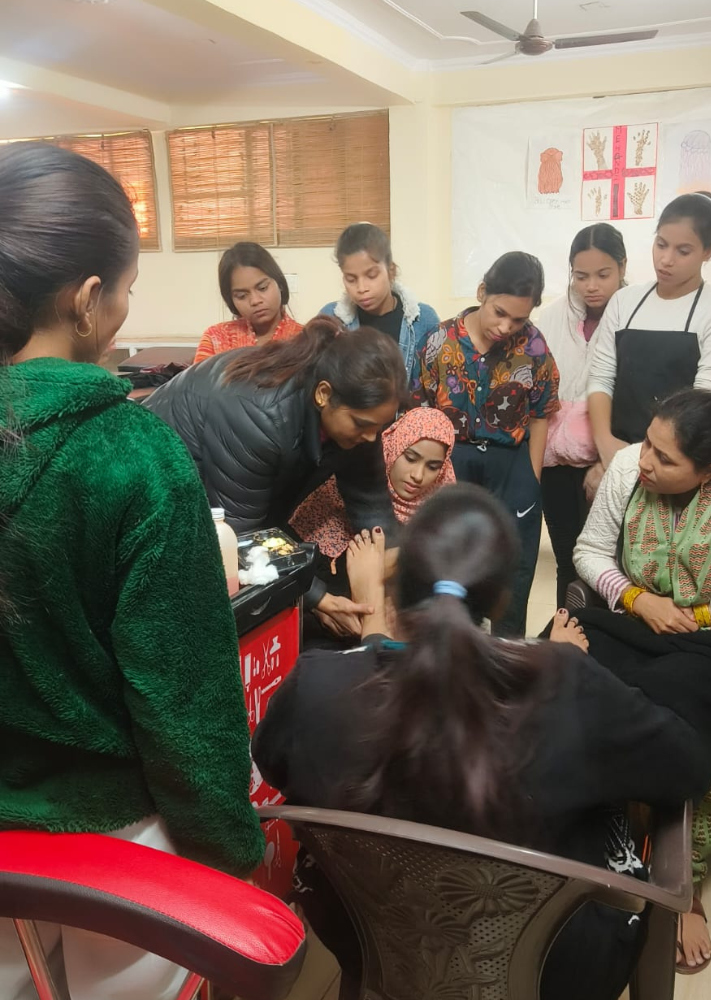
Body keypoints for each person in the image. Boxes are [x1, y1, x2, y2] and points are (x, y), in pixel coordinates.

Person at [253, 483, 711, 1000]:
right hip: (552, 966)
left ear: (397, 586)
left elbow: (273, 763)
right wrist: (562, 668)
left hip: (369, 938)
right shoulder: (567, 686)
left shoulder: (316, 685)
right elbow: (686, 768)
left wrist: (373, 636)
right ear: (500, 600)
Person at [0, 142, 264, 1000]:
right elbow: (183, 699)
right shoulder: (132, 453)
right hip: (112, 848)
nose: (122, 308)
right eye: (125, 289)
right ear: (86, 301)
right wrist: (228, 854)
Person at [573, 388, 711, 975]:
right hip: (635, 620)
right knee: (559, 666)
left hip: (710, 639)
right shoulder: (625, 468)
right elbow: (590, 551)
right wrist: (638, 599)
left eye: (665, 459)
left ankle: (678, 878)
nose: (645, 462)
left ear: (708, 472)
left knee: (674, 716)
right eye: (647, 443)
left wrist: (694, 615)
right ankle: (586, 832)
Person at [146, 315, 406, 638]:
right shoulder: (260, 416)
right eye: (362, 425)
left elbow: (372, 503)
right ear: (324, 394)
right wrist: (318, 597)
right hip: (159, 477)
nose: (371, 438)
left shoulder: (360, 418)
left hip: (236, 484)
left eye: (379, 427)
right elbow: (242, 536)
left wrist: (389, 579)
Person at [411, 251, 559, 636]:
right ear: (482, 293)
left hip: (511, 463)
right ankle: (454, 642)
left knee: (516, 563)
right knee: (451, 560)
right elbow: (418, 409)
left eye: (519, 319)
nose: (506, 327)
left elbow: (541, 413)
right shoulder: (439, 340)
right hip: (452, 461)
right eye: (499, 312)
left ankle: (507, 649)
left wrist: (532, 477)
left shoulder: (534, 346)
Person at [588, 192, 711, 466]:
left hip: (679, 462)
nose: (666, 259)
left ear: (709, 250)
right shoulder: (624, 301)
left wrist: (645, 461)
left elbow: (705, 403)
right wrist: (605, 445)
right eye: (661, 244)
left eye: (683, 251)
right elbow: (601, 378)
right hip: (614, 452)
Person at [540, 224, 627, 605]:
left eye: (603, 275)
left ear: (622, 267)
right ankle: (567, 630)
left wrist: (609, 461)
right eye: (581, 276)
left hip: (610, 460)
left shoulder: (634, 316)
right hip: (555, 462)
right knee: (567, 559)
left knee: (608, 564)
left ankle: (600, 633)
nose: (591, 286)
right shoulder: (552, 317)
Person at [289, 406, 456, 560]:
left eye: (433, 467)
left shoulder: (442, 517)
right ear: (393, 447)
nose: (418, 476)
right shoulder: (345, 490)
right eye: (410, 459)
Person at [320, 223, 439, 373]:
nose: (361, 288)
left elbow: (436, 379)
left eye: (371, 276)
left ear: (391, 270)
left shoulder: (424, 321)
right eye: (351, 279)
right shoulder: (330, 319)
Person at [193, 241, 302, 363]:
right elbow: (201, 376)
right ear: (231, 300)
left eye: (263, 288)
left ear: (279, 284)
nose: (255, 301)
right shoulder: (215, 338)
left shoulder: (306, 341)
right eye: (242, 296)